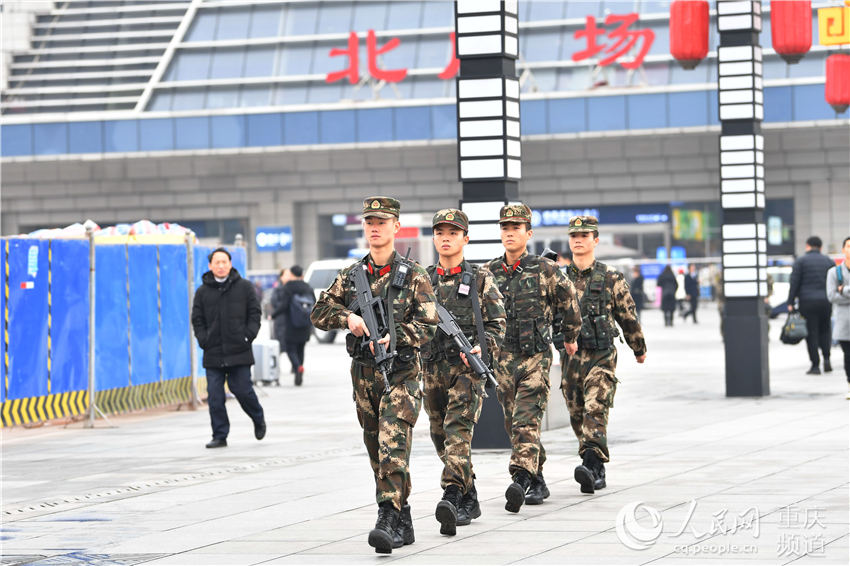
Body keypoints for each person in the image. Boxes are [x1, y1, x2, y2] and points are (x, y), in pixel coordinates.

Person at [310, 196, 438, 554]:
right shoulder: (352, 276)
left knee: (392, 442)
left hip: (402, 374)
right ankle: (404, 514)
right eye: (369, 222)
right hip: (364, 375)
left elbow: (429, 326)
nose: (375, 227)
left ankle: (387, 516)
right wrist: (347, 319)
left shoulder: (414, 275)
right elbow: (320, 311)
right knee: (375, 448)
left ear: (396, 226)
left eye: (382, 221)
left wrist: (396, 336)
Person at [484, 203, 581, 513]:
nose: (510, 232)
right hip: (503, 360)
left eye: (516, 227)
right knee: (516, 423)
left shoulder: (545, 269)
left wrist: (569, 335)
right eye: (505, 228)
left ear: (528, 233)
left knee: (527, 418)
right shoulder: (488, 273)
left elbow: (569, 302)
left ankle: (521, 479)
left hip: (535, 357)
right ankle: (537, 478)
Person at [421, 208, 506, 536]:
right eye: (440, 232)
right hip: (431, 370)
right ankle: (470, 495)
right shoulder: (423, 279)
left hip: (467, 370)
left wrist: (484, 349)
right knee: (440, 436)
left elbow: (498, 322)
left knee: (457, 431)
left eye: (453, 233)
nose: (445, 237)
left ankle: (452, 495)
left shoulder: (480, 278)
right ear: (433, 237)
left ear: (465, 239)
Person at [561, 216, 647, 494]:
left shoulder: (611, 278)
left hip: (601, 355)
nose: (578, 239)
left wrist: (639, 348)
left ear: (595, 240)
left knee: (595, 407)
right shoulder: (558, 279)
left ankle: (589, 461)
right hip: (570, 358)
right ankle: (596, 467)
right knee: (577, 413)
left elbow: (627, 315)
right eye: (574, 235)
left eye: (584, 235)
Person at [191, 248, 266, 449]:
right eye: (217, 262)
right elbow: (197, 319)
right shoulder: (202, 291)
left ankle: (258, 417)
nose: (221, 266)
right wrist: (203, 339)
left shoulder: (245, 287)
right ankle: (219, 435)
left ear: (230, 264)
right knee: (215, 397)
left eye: (224, 262)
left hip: (239, 350)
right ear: (210, 266)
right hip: (213, 352)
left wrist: (247, 335)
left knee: (242, 390)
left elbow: (255, 314)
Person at [787, 236, 835, 374]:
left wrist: (790, 302)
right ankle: (827, 359)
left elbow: (794, 282)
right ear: (820, 247)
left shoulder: (800, 261)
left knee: (811, 333)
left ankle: (815, 365)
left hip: (807, 302)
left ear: (808, 246)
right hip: (826, 302)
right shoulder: (828, 261)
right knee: (826, 330)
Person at [275, 265, 315, 386]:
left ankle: (297, 367)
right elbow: (315, 302)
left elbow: (284, 305)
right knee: (301, 348)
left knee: (290, 348)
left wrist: (274, 314)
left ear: (292, 274)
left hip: (291, 323)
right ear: (301, 274)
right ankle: (300, 366)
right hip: (305, 323)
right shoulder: (307, 287)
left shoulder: (288, 287)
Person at [826, 236, 850, 398]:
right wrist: (839, 292)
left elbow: (838, 294)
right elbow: (831, 296)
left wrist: (844, 290)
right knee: (848, 355)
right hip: (844, 322)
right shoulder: (834, 272)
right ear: (843, 249)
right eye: (848, 246)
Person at [270, 268, 292, 345]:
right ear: (281, 277)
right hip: (281, 319)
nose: (289, 277)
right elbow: (274, 301)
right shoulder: (278, 289)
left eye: (290, 275)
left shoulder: (293, 287)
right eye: (287, 275)